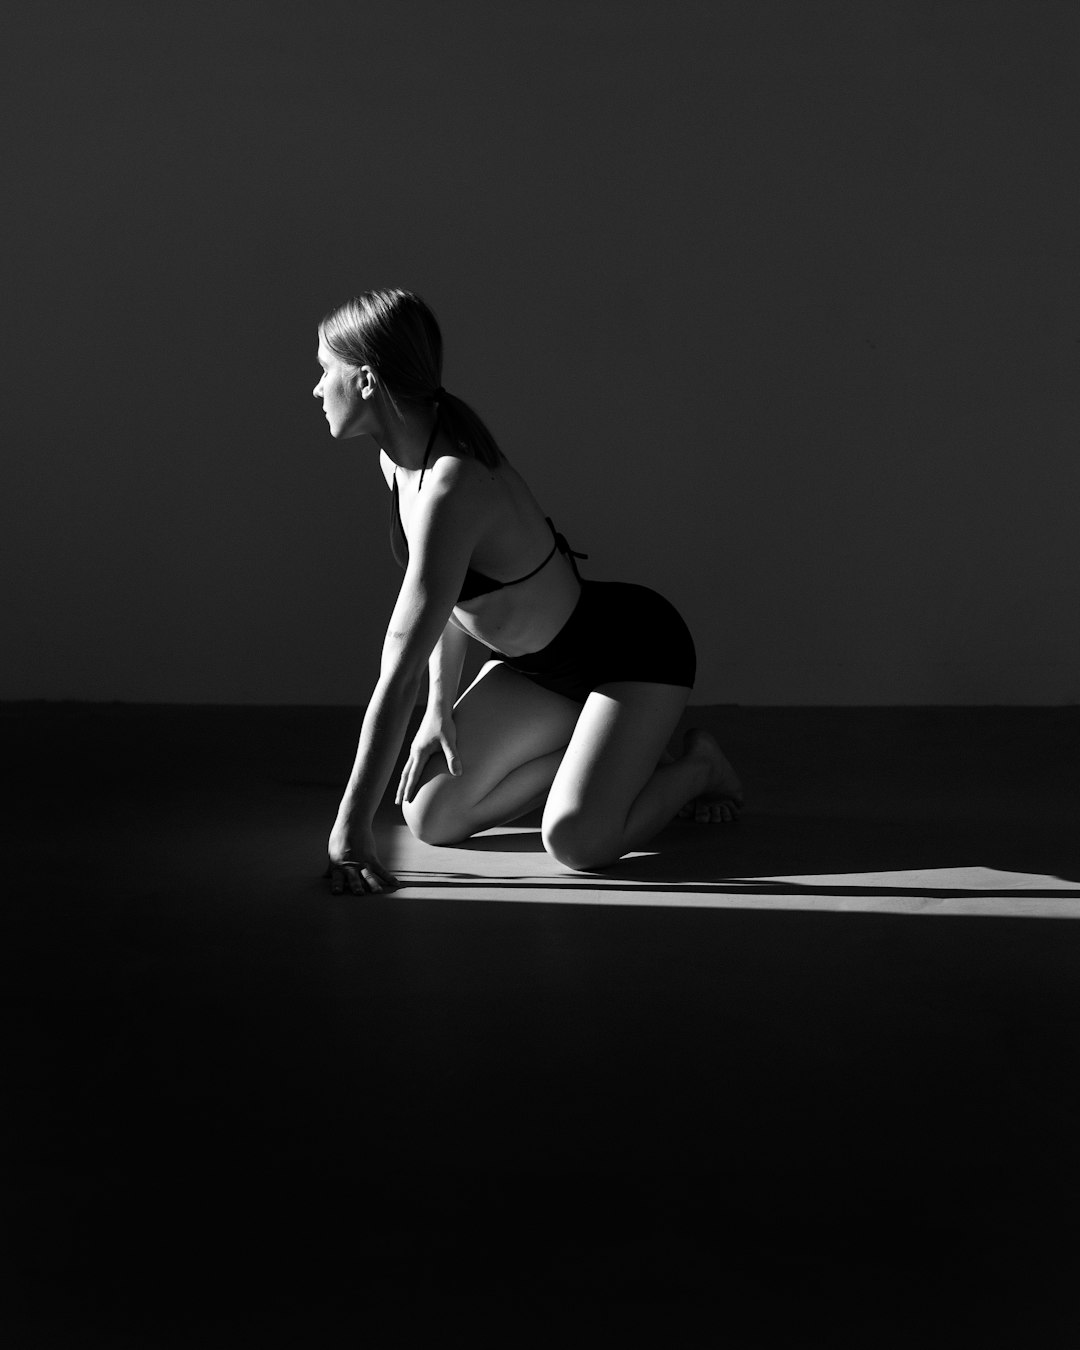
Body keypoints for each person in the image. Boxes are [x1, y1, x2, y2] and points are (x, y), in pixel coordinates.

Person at [315, 289, 742, 895]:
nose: (315, 389)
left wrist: (351, 828)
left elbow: (397, 667)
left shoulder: (452, 482)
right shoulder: (399, 465)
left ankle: (698, 767)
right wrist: (439, 707)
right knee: (432, 816)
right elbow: (443, 605)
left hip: (630, 654)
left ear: (363, 379)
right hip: (537, 672)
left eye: (323, 370)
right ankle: (601, 756)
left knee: (576, 841)